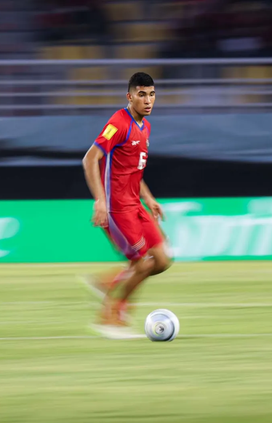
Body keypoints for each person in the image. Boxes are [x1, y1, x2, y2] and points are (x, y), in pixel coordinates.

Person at [82, 72, 172, 338]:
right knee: (143, 264)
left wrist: (150, 198)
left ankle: (108, 282)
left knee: (163, 260)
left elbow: (134, 170)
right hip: (116, 209)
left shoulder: (145, 127)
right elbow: (90, 160)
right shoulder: (118, 123)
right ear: (130, 96)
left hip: (136, 205)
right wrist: (100, 201)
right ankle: (110, 315)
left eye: (152, 94)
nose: (148, 100)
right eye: (142, 94)